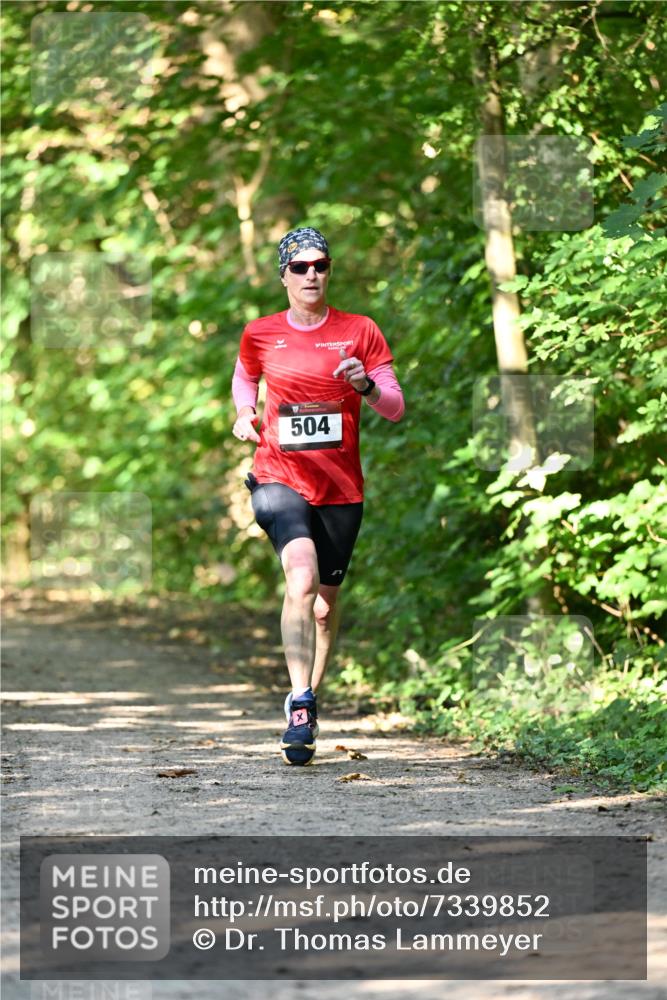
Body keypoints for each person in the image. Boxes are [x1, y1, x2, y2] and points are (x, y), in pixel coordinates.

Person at [231, 226, 405, 765]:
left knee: (325, 609)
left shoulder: (360, 331)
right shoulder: (260, 332)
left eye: (321, 265)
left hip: (340, 488)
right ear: (283, 274)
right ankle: (299, 705)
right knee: (300, 577)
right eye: (301, 267)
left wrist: (365, 387)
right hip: (278, 477)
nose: (313, 274)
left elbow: (395, 406)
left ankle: (310, 693)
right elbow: (244, 377)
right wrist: (244, 413)